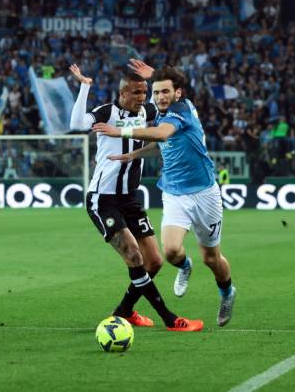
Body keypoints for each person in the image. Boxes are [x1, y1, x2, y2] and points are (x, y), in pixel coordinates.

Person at [93, 64, 236, 327]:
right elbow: (161, 144)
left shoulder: (181, 111)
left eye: (165, 92)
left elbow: (162, 134)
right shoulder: (161, 111)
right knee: (170, 252)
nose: (159, 97)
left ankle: (227, 293)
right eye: (155, 93)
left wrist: (120, 132)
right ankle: (184, 266)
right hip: (173, 192)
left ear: (178, 93)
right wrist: (133, 155)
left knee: (212, 258)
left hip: (205, 193)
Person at [69, 64, 203, 332]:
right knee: (134, 256)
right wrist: (85, 85)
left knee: (154, 261)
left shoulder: (147, 111)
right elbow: (75, 124)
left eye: (145, 92)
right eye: (137, 92)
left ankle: (124, 312)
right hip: (103, 199)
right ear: (122, 94)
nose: (143, 97)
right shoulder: (106, 112)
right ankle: (169, 318)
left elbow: (168, 97)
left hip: (129, 199)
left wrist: (153, 77)